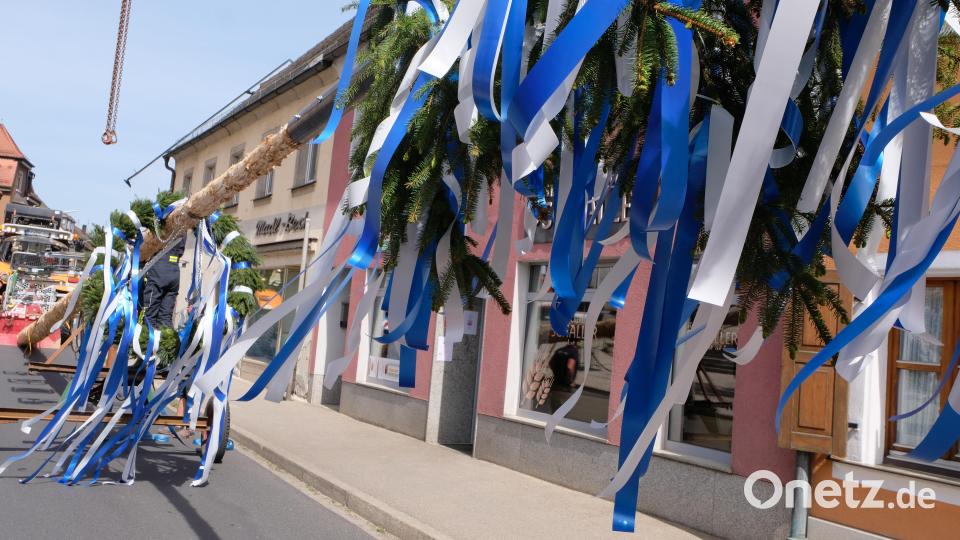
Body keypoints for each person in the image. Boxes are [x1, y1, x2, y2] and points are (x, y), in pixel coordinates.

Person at [140, 237, 186, 328]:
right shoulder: (183, 227)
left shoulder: (161, 225)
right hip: (174, 269)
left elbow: (147, 247)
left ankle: (148, 340)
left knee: (149, 316)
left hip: (159, 269)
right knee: (166, 317)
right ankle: (166, 340)